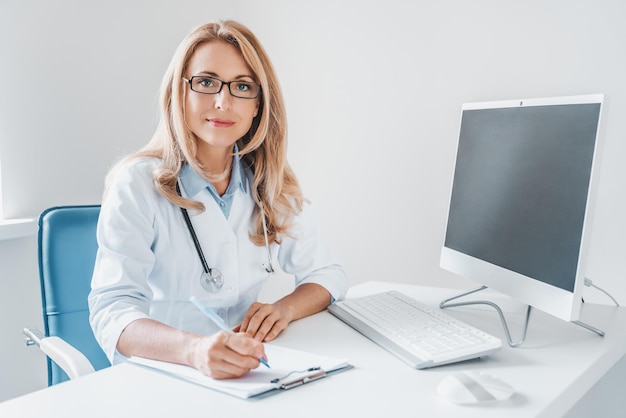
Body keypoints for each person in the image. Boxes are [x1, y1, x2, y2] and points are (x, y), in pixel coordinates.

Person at [88, 19, 348, 380]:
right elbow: (112, 310)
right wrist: (194, 350)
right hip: (164, 374)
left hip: (248, 371)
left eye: (242, 86)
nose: (223, 102)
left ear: (258, 104)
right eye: (206, 83)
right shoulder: (135, 184)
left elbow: (328, 275)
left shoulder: (268, 184)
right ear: (181, 94)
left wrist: (284, 309)